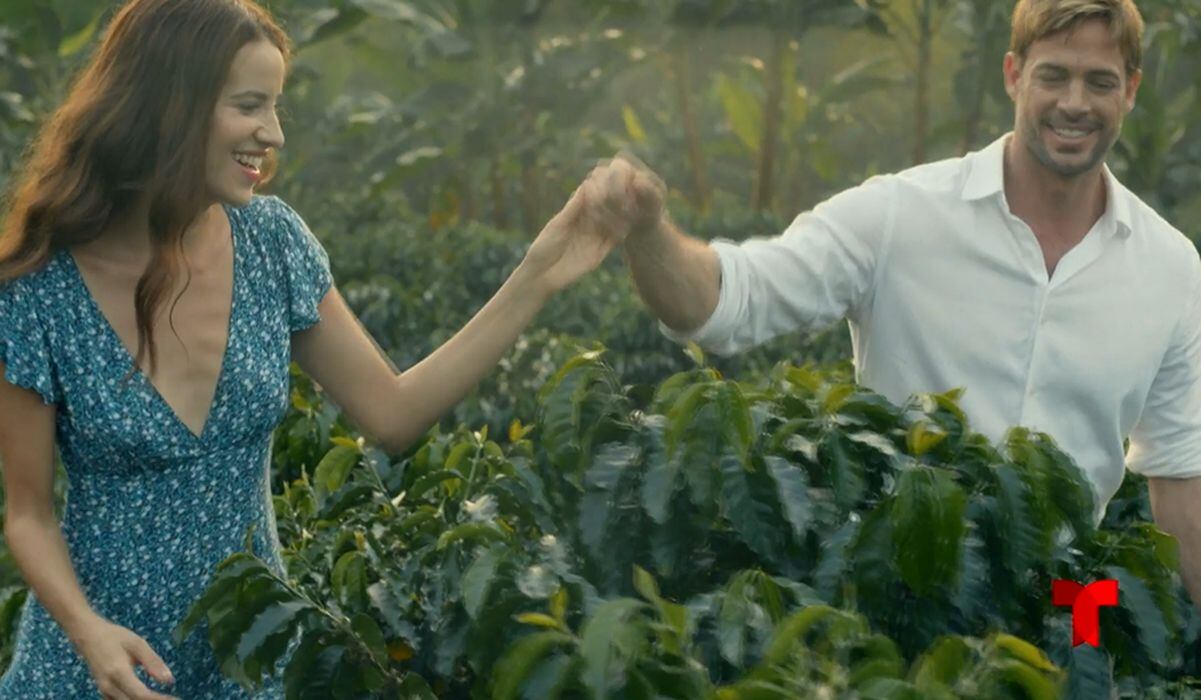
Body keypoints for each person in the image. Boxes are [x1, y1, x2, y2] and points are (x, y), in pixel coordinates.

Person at [0, 0, 624, 697]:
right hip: (93, 670)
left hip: (249, 659)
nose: (273, 134)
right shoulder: (39, 286)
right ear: (169, 105)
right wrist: (88, 632)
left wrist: (537, 274)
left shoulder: (272, 245)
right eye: (249, 106)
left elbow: (392, 415)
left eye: (276, 107)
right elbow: (28, 513)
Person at [584, 0, 1201, 611]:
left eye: (1100, 81)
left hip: (1071, 610)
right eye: (1053, 75)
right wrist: (649, 231)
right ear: (1013, 74)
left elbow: (1181, 485)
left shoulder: (1170, 269)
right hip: (900, 605)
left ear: (1131, 91)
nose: (1074, 103)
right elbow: (727, 303)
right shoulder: (901, 216)